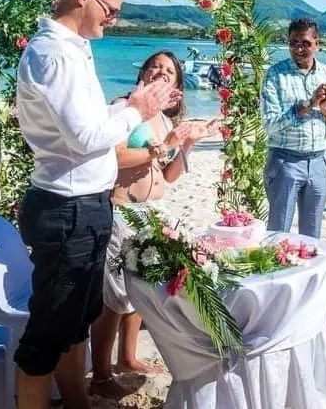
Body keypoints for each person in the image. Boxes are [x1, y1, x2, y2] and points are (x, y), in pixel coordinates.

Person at [14, 0, 177, 409]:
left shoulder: (75, 48)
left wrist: (128, 109)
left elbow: (90, 127)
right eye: (112, 9)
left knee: (75, 323)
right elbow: (85, 137)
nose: (115, 19)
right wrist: (136, 109)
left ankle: (78, 401)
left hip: (85, 205)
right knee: (46, 337)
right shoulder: (56, 55)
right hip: (67, 208)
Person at [89, 52, 218, 399]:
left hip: (153, 212)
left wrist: (188, 143)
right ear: (143, 72)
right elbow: (114, 156)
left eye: (170, 71)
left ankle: (127, 358)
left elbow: (169, 175)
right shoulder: (124, 108)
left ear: (176, 83)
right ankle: (100, 375)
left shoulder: (160, 117)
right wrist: (163, 148)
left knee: (140, 293)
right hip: (122, 212)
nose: (162, 72)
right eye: (156, 66)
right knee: (114, 297)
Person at [261, 18, 326, 239]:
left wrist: (324, 107)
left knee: (312, 237)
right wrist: (308, 105)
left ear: (316, 44)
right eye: (294, 43)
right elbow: (270, 125)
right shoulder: (275, 75)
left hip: (318, 163)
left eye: (305, 43)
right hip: (284, 162)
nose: (299, 49)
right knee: (278, 235)